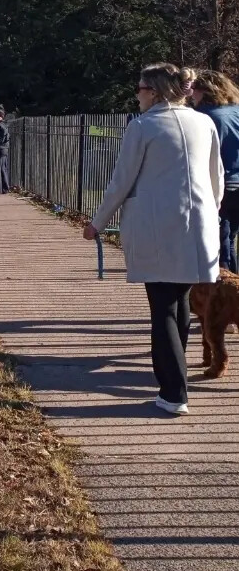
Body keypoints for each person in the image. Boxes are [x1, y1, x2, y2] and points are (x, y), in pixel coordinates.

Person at [84, 63, 223, 415]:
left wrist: (97, 223)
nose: (137, 95)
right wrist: (210, 213)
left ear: (155, 92)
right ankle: (175, 380)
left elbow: (121, 181)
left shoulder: (143, 126)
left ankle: (174, 393)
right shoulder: (203, 122)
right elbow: (216, 179)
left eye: (140, 88)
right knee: (180, 304)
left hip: (157, 227)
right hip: (198, 225)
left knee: (163, 309)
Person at [192, 71, 239, 273]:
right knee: (230, 237)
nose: (191, 95)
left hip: (221, 183)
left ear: (205, 91)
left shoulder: (204, 116)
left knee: (220, 240)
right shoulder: (236, 111)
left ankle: (225, 283)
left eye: (194, 89)